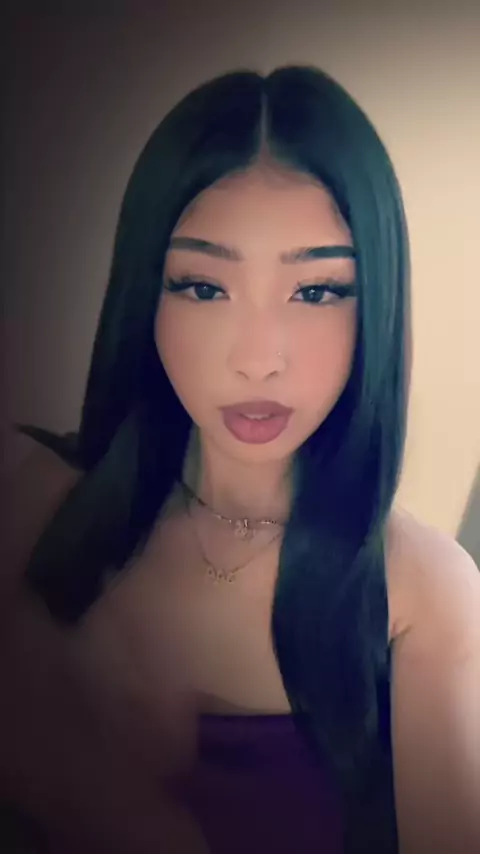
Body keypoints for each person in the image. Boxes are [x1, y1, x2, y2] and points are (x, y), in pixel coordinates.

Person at [1, 64, 479, 854]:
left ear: (376, 305)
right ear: (145, 295)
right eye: (203, 286)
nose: (257, 360)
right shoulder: (40, 508)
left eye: (316, 291)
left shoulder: (419, 595)